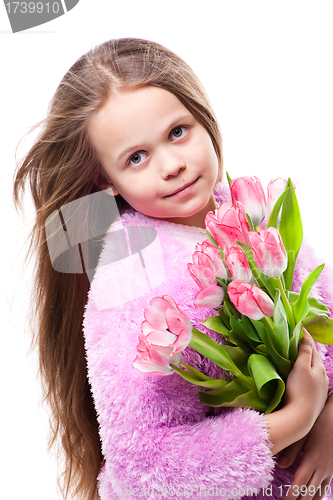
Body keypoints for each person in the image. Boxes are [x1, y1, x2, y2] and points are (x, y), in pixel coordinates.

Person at [13, 38, 333, 500]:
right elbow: (144, 466)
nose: (173, 165)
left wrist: (327, 418)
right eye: (136, 158)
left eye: (178, 132)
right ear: (106, 179)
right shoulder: (131, 282)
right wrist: (293, 421)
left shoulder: (253, 215)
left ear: (201, 116)